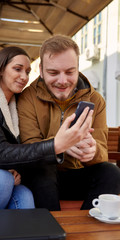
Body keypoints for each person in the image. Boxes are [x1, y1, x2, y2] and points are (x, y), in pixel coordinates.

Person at [0, 46, 93, 210]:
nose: (24, 77)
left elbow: (16, 152)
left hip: (0, 174)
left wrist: (15, 170)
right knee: (0, 180)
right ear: (0, 70)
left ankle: (39, 234)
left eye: (28, 71)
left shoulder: (15, 106)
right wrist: (55, 145)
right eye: (17, 69)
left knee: (24, 195)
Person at [17, 35, 120, 211]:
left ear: (78, 68)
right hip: (44, 179)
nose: (63, 81)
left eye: (70, 72)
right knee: (43, 169)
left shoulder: (96, 100)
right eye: (53, 72)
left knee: (112, 172)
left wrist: (92, 151)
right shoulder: (27, 98)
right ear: (41, 70)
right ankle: (51, 229)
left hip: (79, 177)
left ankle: (87, 230)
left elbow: (102, 153)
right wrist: (59, 145)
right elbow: (29, 148)